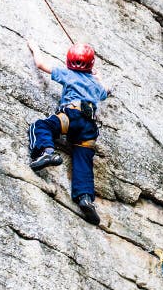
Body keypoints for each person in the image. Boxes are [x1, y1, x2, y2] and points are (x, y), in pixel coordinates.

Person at [27, 40, 110, 225]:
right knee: (83, 160)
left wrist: (35, 47)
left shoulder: (69, 74)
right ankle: (85, 198)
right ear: (91, 64)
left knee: (41, 126)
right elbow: (106, 92)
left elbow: (41, 65)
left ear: (69, 61)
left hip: (72, 115)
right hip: (89, 127)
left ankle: (46, 152)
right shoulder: (95, 84)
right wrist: (98, 77)